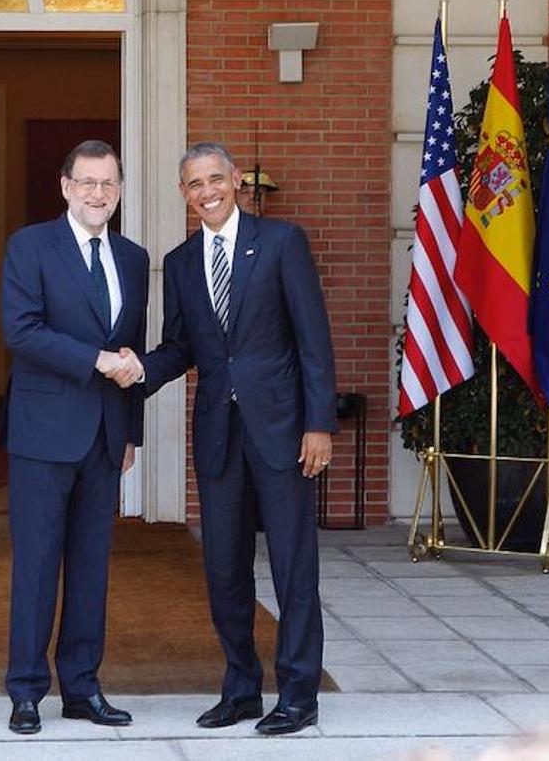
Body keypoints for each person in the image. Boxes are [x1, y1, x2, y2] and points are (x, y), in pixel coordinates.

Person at [121, 142, 336, 736]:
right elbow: (181, 346)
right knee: (223, 568)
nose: (208, 192)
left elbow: (313, 339)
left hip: (285, 430)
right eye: (195, 184)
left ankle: (298, 692)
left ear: (237, 181)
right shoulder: (183, 261)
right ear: (183, 193)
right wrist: (136, 371)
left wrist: (319, 423)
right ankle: (241, 688)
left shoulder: (282, 242)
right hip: (218, 433)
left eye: (217, 179)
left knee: (294, 566)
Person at [0, 139, 148, 735]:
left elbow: (131, 344)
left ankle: (82, 688)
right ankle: (27, 691)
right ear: (65, 186)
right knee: (36, 565)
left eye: (108, 184)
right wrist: (96, 361)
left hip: (107, 436)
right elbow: (21, 330)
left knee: (92, 567)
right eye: (86, 182)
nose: (97, 194)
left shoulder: (133, 258)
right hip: (42, 432)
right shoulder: (30, 246)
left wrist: (131, 430)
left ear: (119, 189)